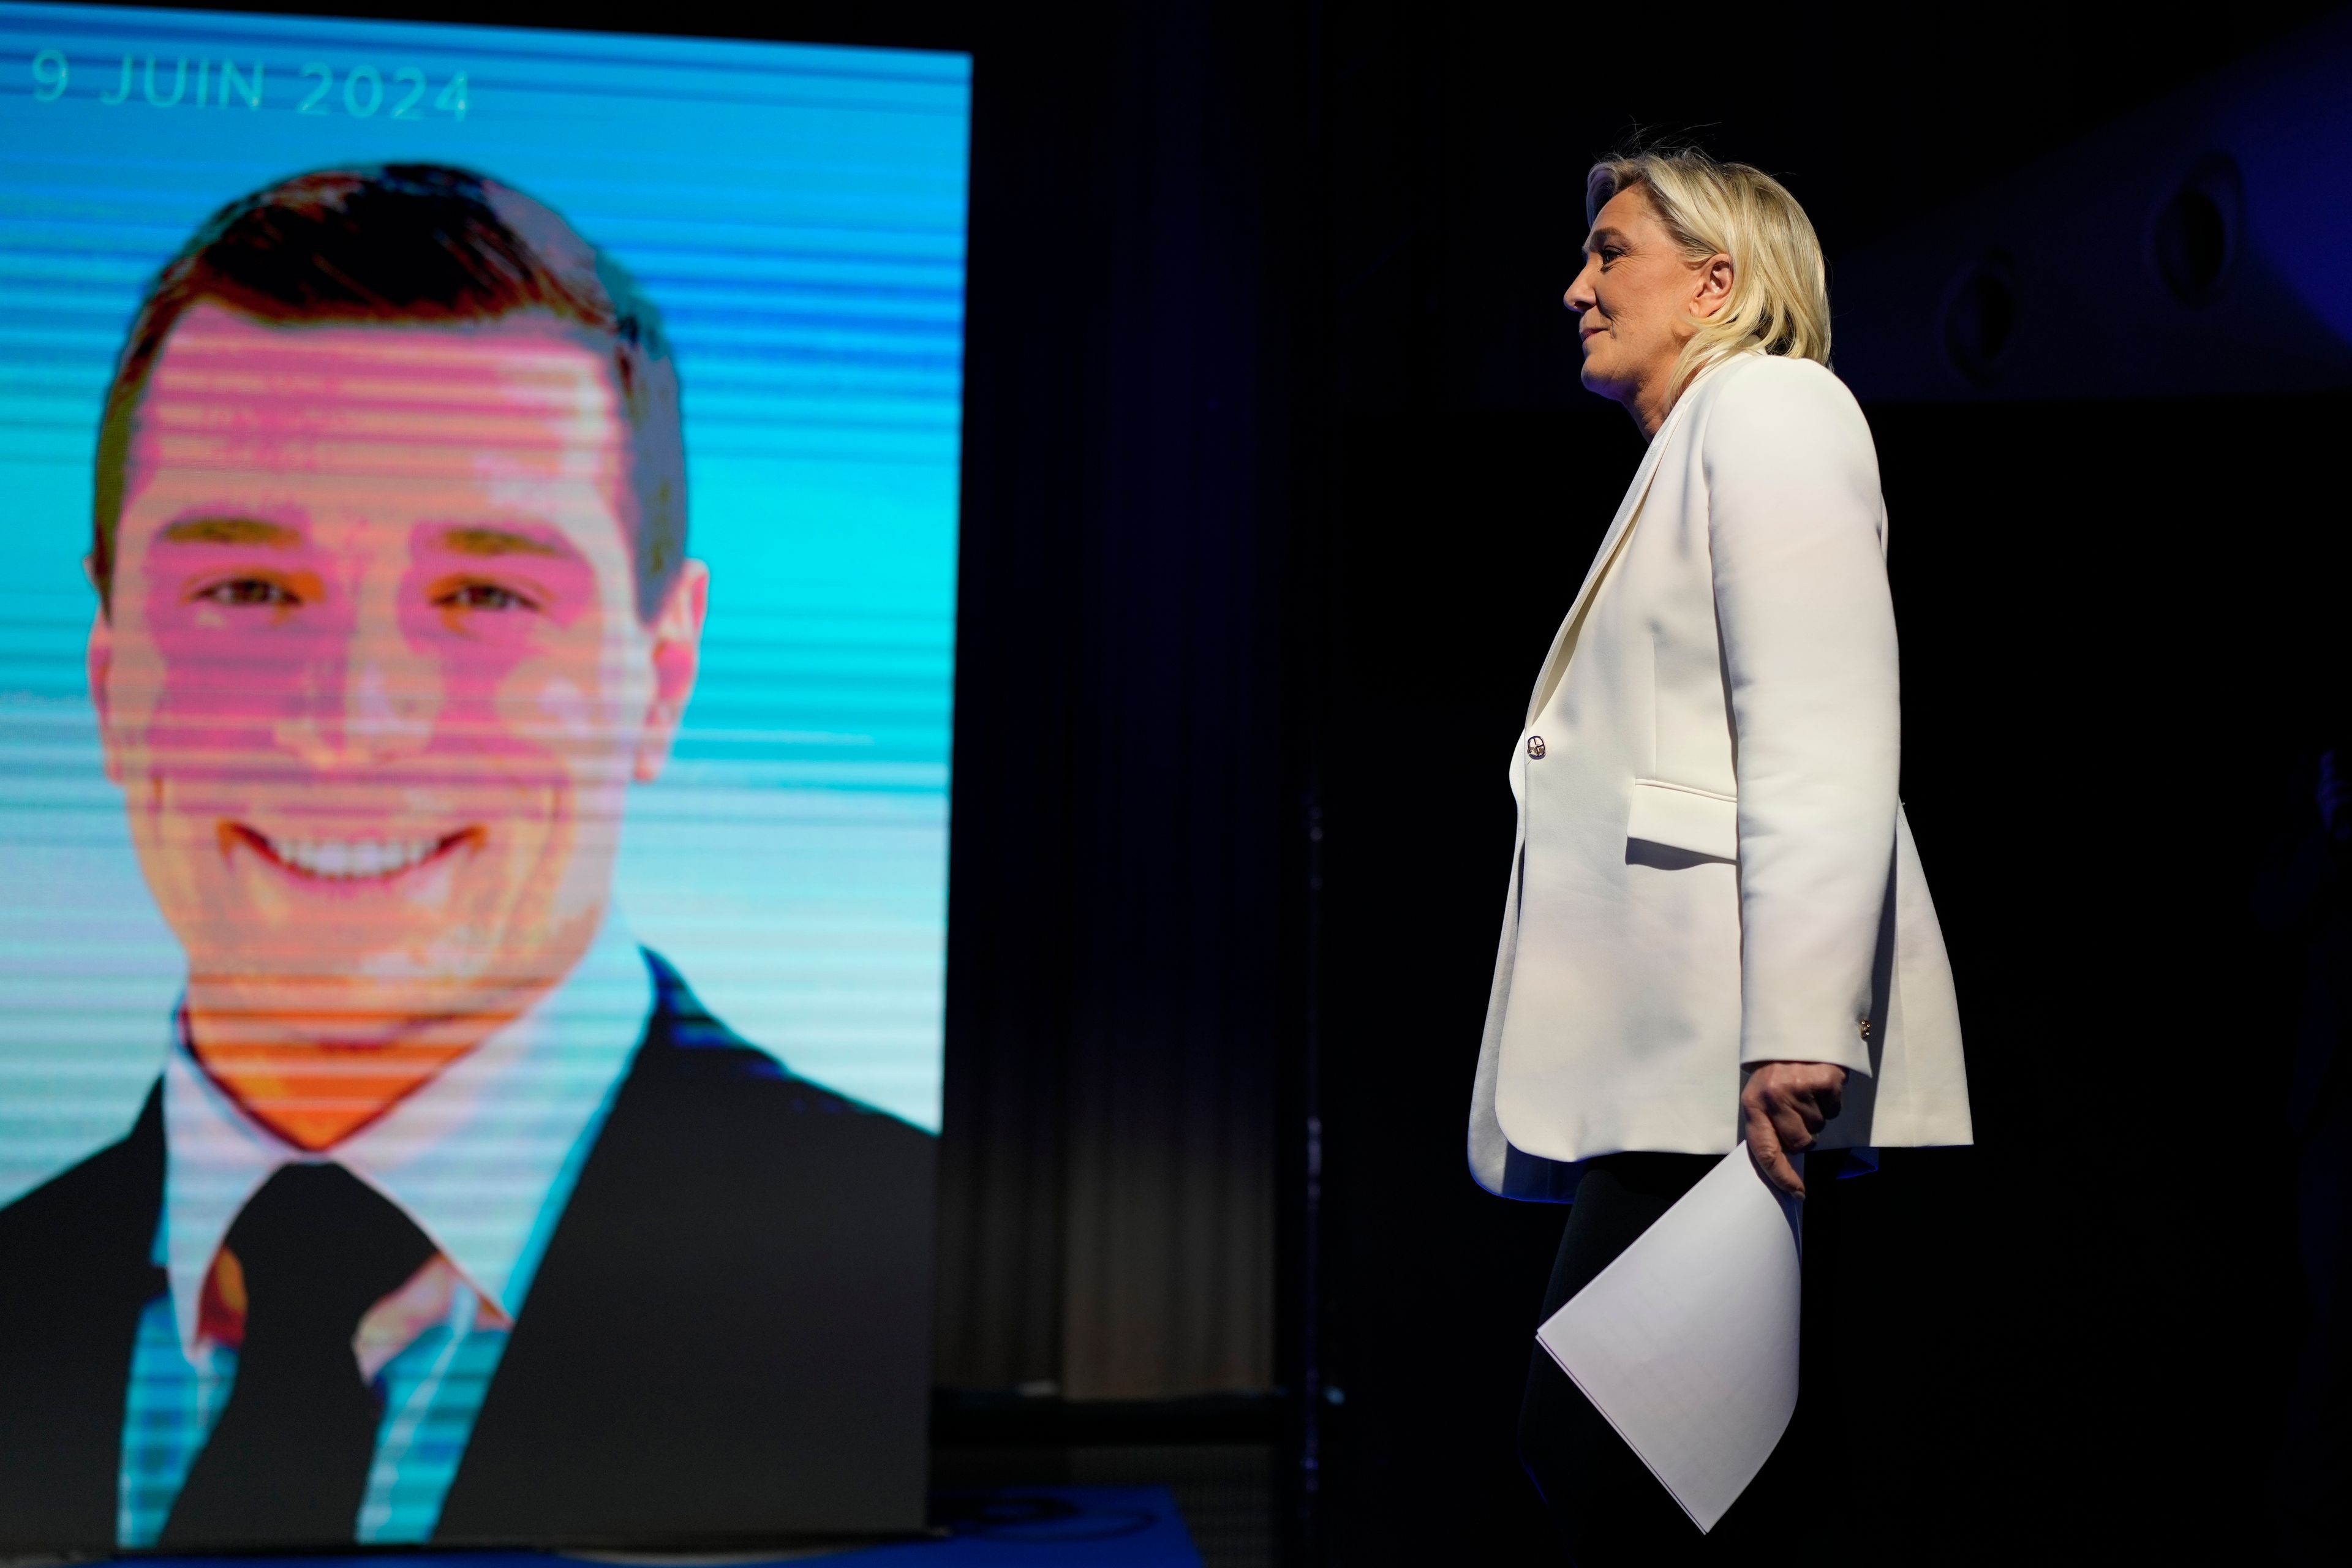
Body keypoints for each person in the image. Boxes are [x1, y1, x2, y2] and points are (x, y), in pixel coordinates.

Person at [0, 165, 935, 1553]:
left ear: (662, 673)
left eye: (485, 593)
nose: (353, 722)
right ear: (110, 656)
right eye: (247, 589)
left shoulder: (914, 1278)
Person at [1463, 147, 1973, 1561]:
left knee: (1618, 1452)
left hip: (1723, 1048)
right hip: (1672, 1048)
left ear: (1717, 280)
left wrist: (1801, 1025)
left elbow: (1823, 719)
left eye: (1608, 250)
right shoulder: (1699, 442)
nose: (1577, 286)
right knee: (1653, 1463)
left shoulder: (1775, 408)